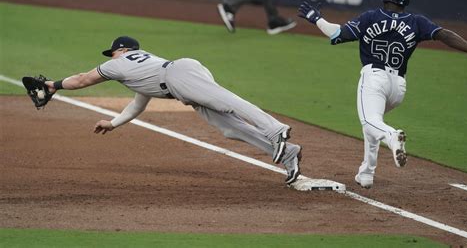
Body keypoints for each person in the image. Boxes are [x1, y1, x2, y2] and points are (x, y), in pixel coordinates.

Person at [44, 36, 302, 185]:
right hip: (180, 79)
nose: (110, 57)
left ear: (122, 50)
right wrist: (113, 123)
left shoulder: (119, 64)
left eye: (112, 52)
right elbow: (137, 105)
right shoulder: (140, 70)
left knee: (228, 101)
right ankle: (289, 155)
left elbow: (81, 79)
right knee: (229, 127)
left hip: (180, 75)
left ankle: (276, 130)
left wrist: (53, 85)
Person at [297, 0, 467, 189]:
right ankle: (366, 173)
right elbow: (445, 35)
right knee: (373, 123)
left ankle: (391, 136)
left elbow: (337, 33)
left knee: (370, 122)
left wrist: (316, 18)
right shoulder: (417, 22)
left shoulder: (371, 17)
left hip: (374, 80)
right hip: (398, 87)